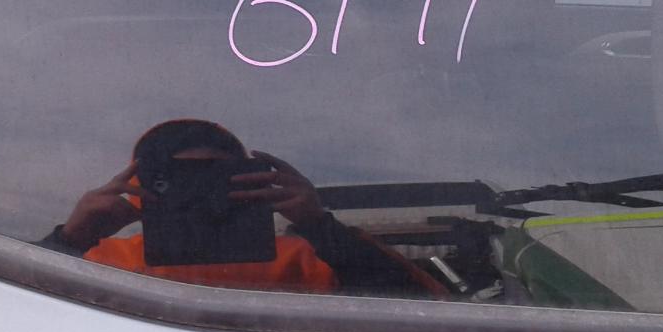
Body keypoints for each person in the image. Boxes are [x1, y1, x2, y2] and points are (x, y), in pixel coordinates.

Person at [41, 119, 442, 297]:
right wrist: (71, 238)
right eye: (180, 180)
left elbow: (421, 308)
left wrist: (320, 226)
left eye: (217, 178)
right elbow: (25, 320)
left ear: (253, 180)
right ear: (140, 188)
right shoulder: (100, 261)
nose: (200, 193)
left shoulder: (306, 259)